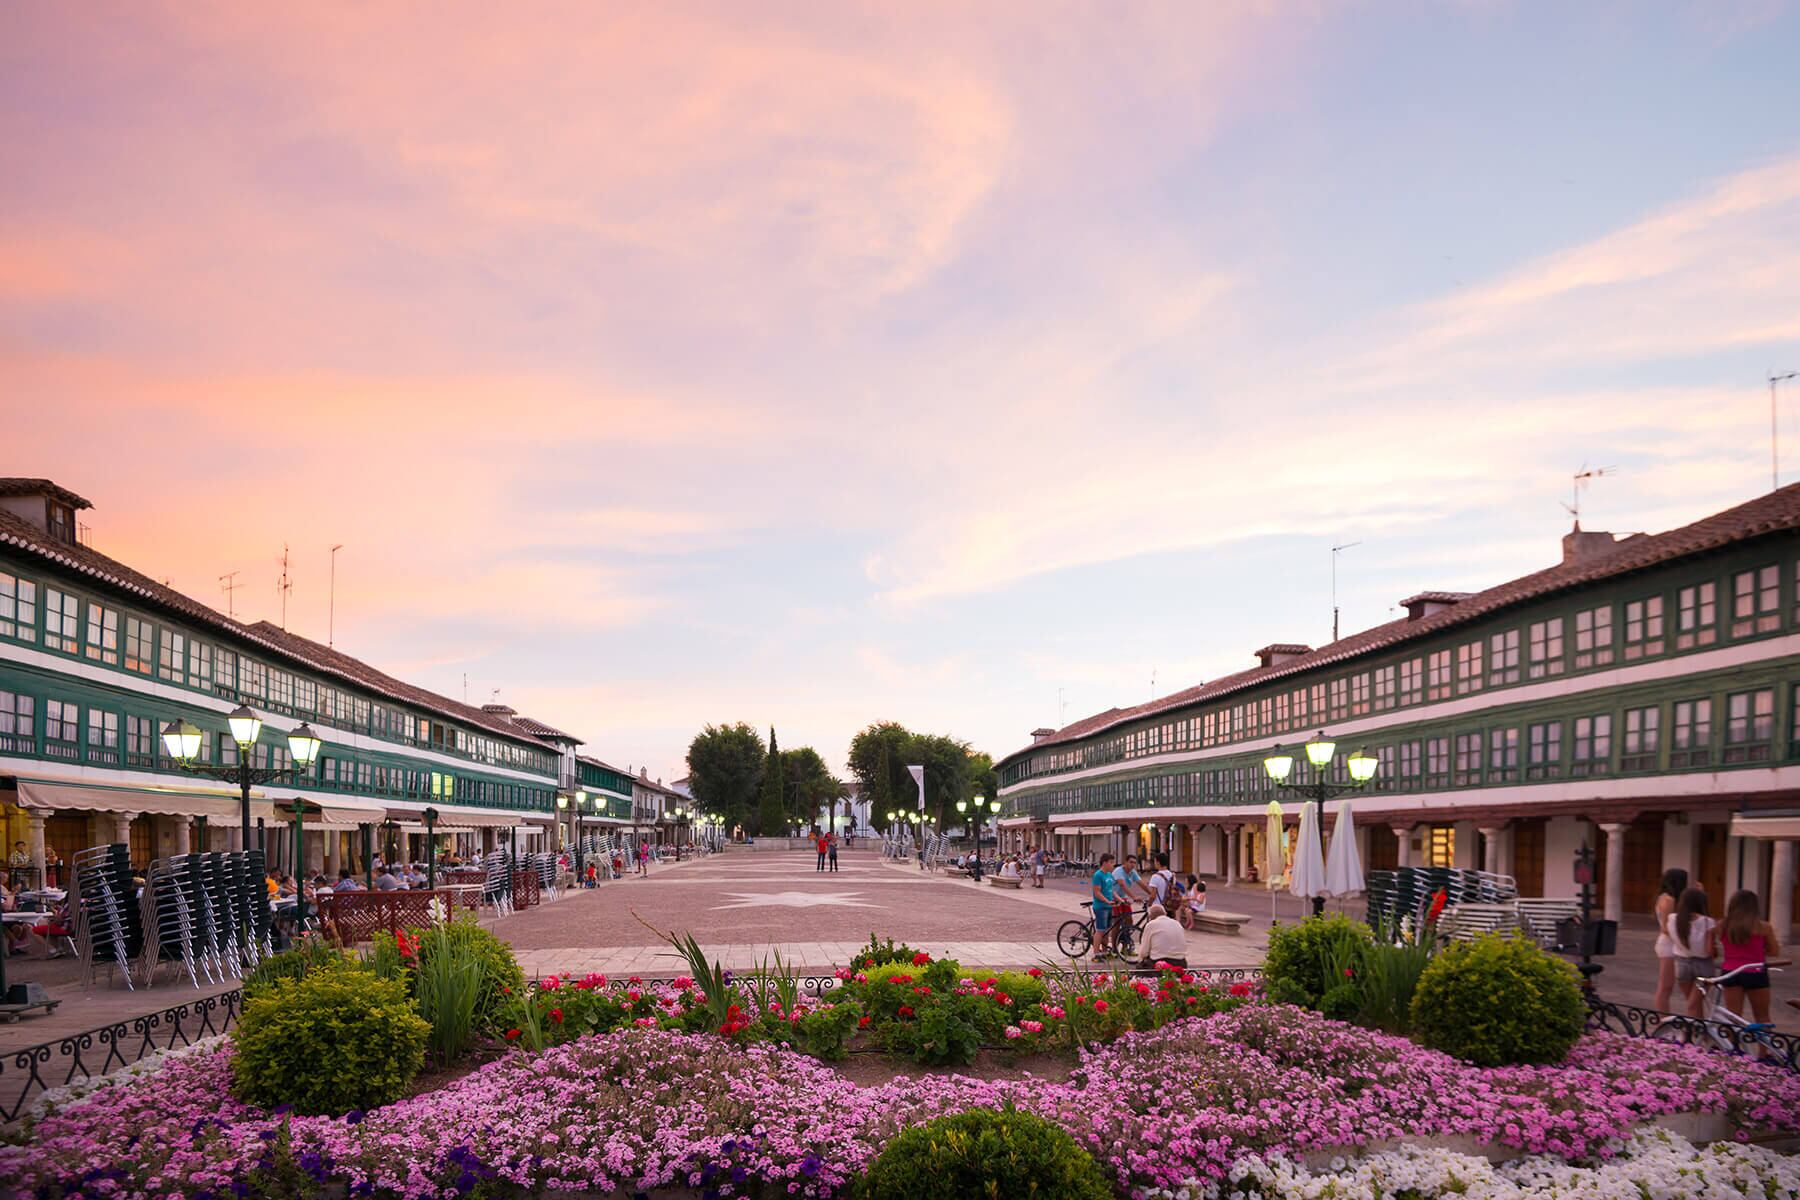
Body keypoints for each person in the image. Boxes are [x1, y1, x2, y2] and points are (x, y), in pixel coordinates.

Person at [1712, 889, 1782, 1026]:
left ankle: (1733, 1047)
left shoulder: (1722, 925)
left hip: (1730, 972)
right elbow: (1774, 951)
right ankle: (1764, 1048)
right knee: (1762, 1018)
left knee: (1733, 1018)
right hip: (1755, 972)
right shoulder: (1763, 927)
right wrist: (1760, 949)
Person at [1666, 885, 1714, 1018]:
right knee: (1694, 1005)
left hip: (1682, 964)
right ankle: (1694, 1035)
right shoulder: (1707, 922)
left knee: (1693, 1004)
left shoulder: (1672, 919)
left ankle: (1700, 1035)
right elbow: (1709, 950)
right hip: (1703, 965)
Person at [1652, 868, 1688, 1012]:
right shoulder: (1668, 899)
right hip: (1668, 944)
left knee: (1669, 985)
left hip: (1673, 943)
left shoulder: (1668, 898)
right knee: (1666, 986)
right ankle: (1664, 1023)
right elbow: (1667, 927)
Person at [1139, 902, 1188, 970]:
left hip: (1160, 964)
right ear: (1165, 914)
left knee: (1140, 968)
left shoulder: (1151, 924)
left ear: (1150, 917)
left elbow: (1144, 952)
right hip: (1181, 963)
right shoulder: (1177, 923)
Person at [1090, 853, 1118, 958]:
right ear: (1105, 863)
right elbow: (1097, 892)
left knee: (1107, 930)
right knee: (1100, 930)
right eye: (1111, 863)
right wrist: (1107, 901)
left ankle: (1105, 951)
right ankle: (1096, 953)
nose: (1113, 865)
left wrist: (1120, 900)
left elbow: (1112, 891)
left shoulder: (1109, 875)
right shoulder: (1098, 875)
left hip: (1109, 906)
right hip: (1101, 906)